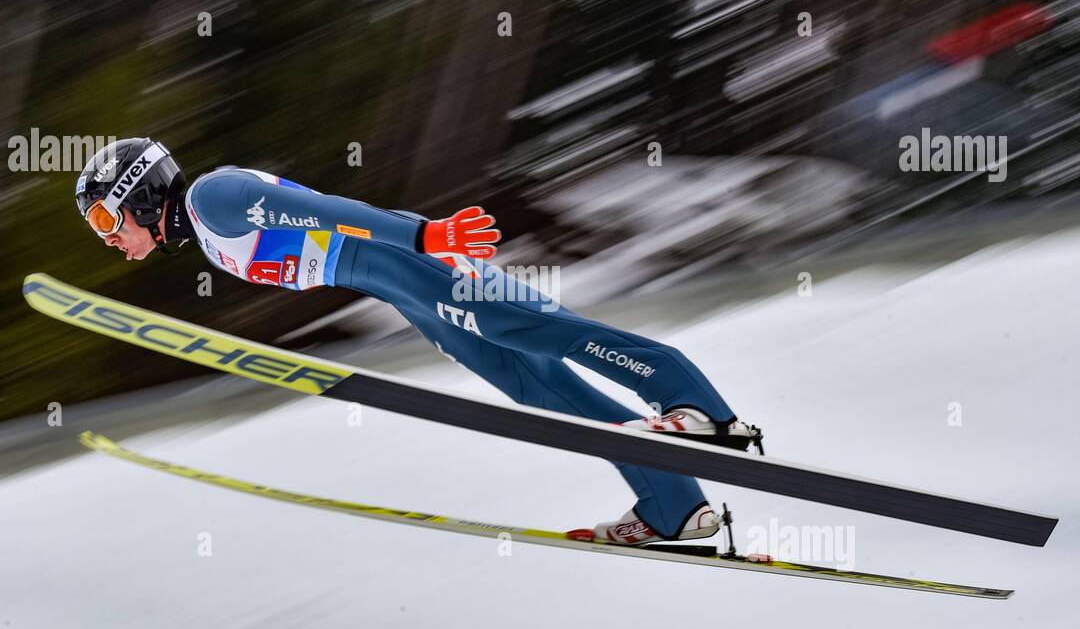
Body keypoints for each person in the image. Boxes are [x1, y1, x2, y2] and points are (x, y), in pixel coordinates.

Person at [74, 137, 762, 544]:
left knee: (535, 330)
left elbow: (328, 213)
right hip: (398, 285)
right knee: (529, 381)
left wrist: (426, 236)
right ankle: (676, 507)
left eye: (107, 217)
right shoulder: (204, 231)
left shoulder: (212, 199)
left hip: (408, 258)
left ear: (138, 192)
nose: (111, 239)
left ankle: (692, 400)